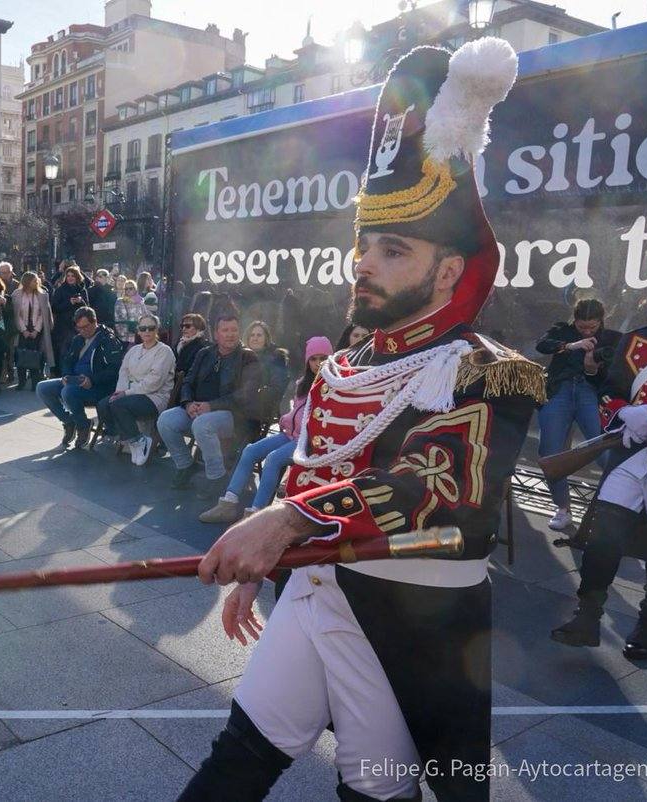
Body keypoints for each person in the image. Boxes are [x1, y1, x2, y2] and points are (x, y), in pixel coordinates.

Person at [179, 40, 536, 802]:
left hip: (405, 623)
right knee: (236, 760)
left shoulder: (484, 369)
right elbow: (315, 462)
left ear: (448, 270)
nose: (362, 264)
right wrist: (274, 559)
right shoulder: (354, 357)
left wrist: (284, 524)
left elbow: (431, 487)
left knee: (372, 794)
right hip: (315, 589)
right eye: (364, 244)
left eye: (392, 249)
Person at [551, 199, 647, 661]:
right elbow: (612, 393)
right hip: (632, 454)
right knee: (603, 535)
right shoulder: (639, 339)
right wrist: (623, 416)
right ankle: (587, 618)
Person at [199, 336, 333, 524]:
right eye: (314, 359)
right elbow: (297, 412)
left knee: (273, 459)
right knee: (250, 451)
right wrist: (287, 420)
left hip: (309, 440)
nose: (318, 363)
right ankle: (228, 503)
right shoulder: (304, 383)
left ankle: (256, 512)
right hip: (290, 434)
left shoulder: (332, 386)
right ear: (307, 361)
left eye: (323, 358)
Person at [532, 299, 620, 529]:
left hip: (590, 394)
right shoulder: (563, 330)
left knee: (603, 449)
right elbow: (541, 344)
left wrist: (593, 367)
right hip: (559, 392)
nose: (588, 331)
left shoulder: (611, 338)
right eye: (582, 326)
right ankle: (562, 508)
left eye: (592, 327)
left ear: (602, 320)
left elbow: (618, 373)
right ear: (575, 320)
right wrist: (571, 345)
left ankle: (613, 509)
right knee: (550, 451)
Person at [157, 314, 263, 493]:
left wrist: (211, 406)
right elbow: (188, 382)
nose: (230, 334)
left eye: (234, 330)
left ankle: (216, 476)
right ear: (216, 334)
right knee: (165, 420)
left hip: (234, 416)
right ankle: (185, 465)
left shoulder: (247, 358)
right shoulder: (204, 353)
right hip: (198, 408)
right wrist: (188, 403)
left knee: (202, 424)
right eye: (225, 330)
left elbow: (245, 395)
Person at [35, 306, 123, 449]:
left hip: (99, 387)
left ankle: (83, 425)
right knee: (42, 388)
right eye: (79, 328)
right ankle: (69, 421)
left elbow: (115, 371)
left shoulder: (108, 341)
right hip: (76, 381)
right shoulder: (78, 339)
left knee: (67, 392)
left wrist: (92, 380)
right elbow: (68, 360)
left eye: (86, 327)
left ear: (95, 322)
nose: (82, 331)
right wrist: (66, 375)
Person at [97, 314, 174, 465]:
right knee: (103, 405)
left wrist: (126, 394)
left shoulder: (164, 352)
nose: (147, 331)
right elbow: (123, 372)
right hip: (130, 393)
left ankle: (138, 441)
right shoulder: (134, 350)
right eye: (143, 328)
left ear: (156, 330)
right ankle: (130, 438)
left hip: (154, 397)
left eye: (151, 328)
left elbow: (154, 382)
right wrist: (120, 391)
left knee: (118, 404)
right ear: (138, 331)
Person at [12, 270, 54, 390]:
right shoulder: (17, 294)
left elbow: (44, 314)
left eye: (37, 280)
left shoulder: (42, 294)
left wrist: (36, 330)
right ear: (27, 281)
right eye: (34, 280)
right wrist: (23, 329)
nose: (36, 282)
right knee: (21, 355)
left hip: (37, 330)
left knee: (37, 356)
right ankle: (21, 382)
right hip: (22, 330)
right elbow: (16, 314)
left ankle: (36, 382)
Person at [245, 321, 292, 418]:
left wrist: (257, 394)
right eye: (252, 335)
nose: (255, 338)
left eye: (259, 335)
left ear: (266, 338)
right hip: (239, 400)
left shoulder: (276, 358)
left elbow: (277, 387)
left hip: (260, 405)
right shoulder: (243, 356)